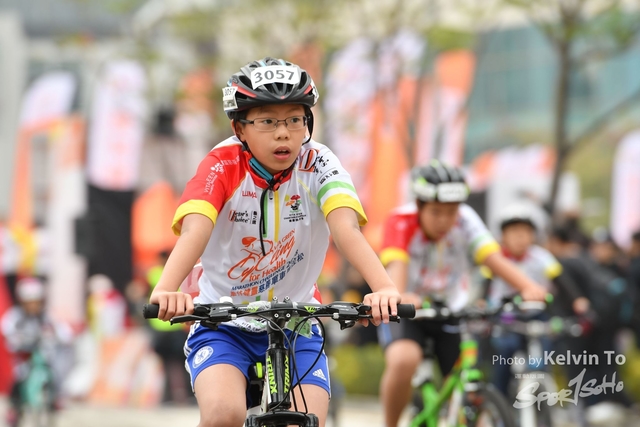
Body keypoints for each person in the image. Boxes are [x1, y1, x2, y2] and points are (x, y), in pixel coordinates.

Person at [149, 57, 402, 427]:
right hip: (223, 321)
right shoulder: (221, 163)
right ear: (239, 128)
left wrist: (384, 288)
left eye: (295, 120)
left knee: (306, 420)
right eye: (267, 121)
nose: (283, 133)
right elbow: (195, 230)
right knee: (223, 415)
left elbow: (346, 229)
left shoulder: (318, 162)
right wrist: (166, 288)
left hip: (297, 321)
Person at [377, 161, 547, 427]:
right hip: (410, 311)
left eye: (451, 211)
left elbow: (493, 258)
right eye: (436, 211)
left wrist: (527, 287)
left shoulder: (466, 219)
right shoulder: (401, 220)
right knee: (403, 360)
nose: (445, 220)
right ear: (419, 205)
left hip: (452, 310)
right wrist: (400, 295)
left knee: (466, 381)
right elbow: (396, 264)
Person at [483, 204, 589, 396]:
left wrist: (577, 301)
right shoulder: (497, 258)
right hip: (507, 317)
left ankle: (543, 401)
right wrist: (481, 302)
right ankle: (499, 402)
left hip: (536, 316)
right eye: (514, 232)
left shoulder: (541, 257)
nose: (520, 237)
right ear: (503, 236)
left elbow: (561, 281)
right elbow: (485, 285)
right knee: (504, 356)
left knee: (542, 358)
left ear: (533, 236)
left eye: (525, 232)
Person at [1, 277, 72, 427]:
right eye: (30, 302)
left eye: (36, 301)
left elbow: (63, 330)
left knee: (55, 372)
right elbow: (6, 328)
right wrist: (15, 339)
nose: (33, 305)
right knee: (19, 376)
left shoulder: (47, 316)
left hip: (44, 353)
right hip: (24, 355)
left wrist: (62, 336)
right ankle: (14, 408)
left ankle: (56, 399)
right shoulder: (16, 315)